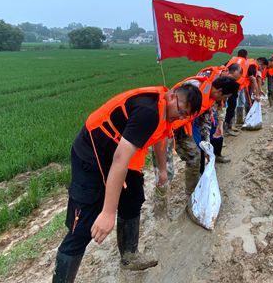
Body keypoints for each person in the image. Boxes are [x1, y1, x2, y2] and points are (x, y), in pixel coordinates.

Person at [52, 84, 202, 281]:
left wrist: (162, 170)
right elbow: (120, 159)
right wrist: (108, 213)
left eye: (185, 116)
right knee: (82, 224)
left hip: (118, 152)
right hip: (92, 154)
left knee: (133, 196)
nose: (180, 117)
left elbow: (160, 138)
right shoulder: (149, 112)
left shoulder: (165, 111)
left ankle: (129, 255)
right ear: (173, 96)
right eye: (181, 111)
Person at [224, 49, 249, 135]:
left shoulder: (232, 59)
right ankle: (228, 126)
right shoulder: (246, 63)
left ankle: (229, 125)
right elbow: (251, 77)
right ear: (246, 56)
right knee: (232, 105)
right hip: (235, 85)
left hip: (225, 83)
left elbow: (223, 67)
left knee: (225, 105)